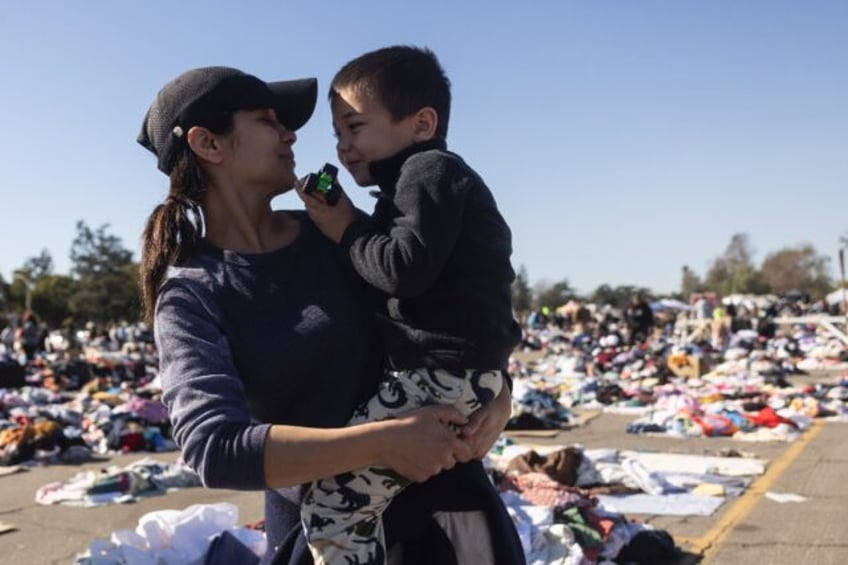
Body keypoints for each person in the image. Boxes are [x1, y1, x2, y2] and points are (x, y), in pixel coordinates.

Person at [136, 65, 523, 565]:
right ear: (209, 143)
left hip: (447, 516)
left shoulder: (337, 232)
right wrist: (383, 442)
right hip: (325, 533)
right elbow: (215, 448)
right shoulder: (194, 294)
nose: (290, 133)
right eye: (267, 120)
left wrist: (500, 392)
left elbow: (456, 310)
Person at [296, 46, 522, 565]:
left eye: (354, 127)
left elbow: (402, 270)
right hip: (457, 378)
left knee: (333, 508)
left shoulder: (429, 172)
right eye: (337, 134)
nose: (344, 147)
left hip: (436, 379)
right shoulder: (418, 184)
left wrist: (345, 229)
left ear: (421, 123)